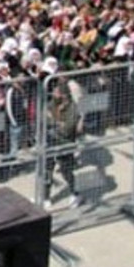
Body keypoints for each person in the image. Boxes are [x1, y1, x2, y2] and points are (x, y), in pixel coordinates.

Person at [43, 80, 80, 208]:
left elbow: (67, 129)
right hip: (49, 143)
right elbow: (44, 120)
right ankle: (45, 197)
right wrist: (57, 122)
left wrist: (53, 121)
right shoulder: (52, 104)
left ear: (63, 95)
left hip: (65, 145)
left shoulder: (72, 108)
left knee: (66, 171)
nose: (53, 94)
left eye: (56, 92)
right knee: (47, 171)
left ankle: (74, 194)